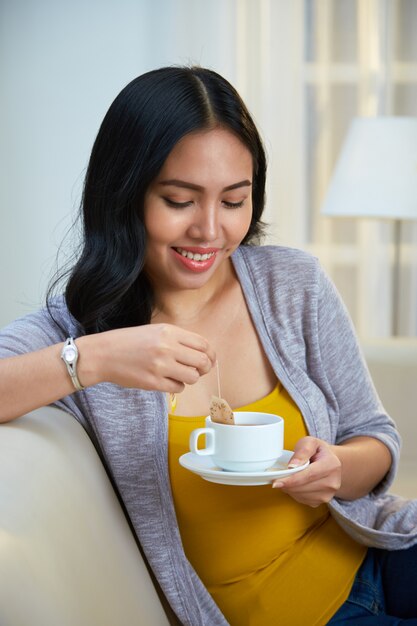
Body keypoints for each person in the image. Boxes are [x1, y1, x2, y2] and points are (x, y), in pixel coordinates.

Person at [1, 66, 417, 626]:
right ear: (124, 195)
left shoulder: (292, 283)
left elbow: (377, 438)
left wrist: (337, 468)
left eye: (233, 200)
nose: (210, 231)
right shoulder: (78, 330)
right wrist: (95, 358)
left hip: (384, 553)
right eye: (179, 200)